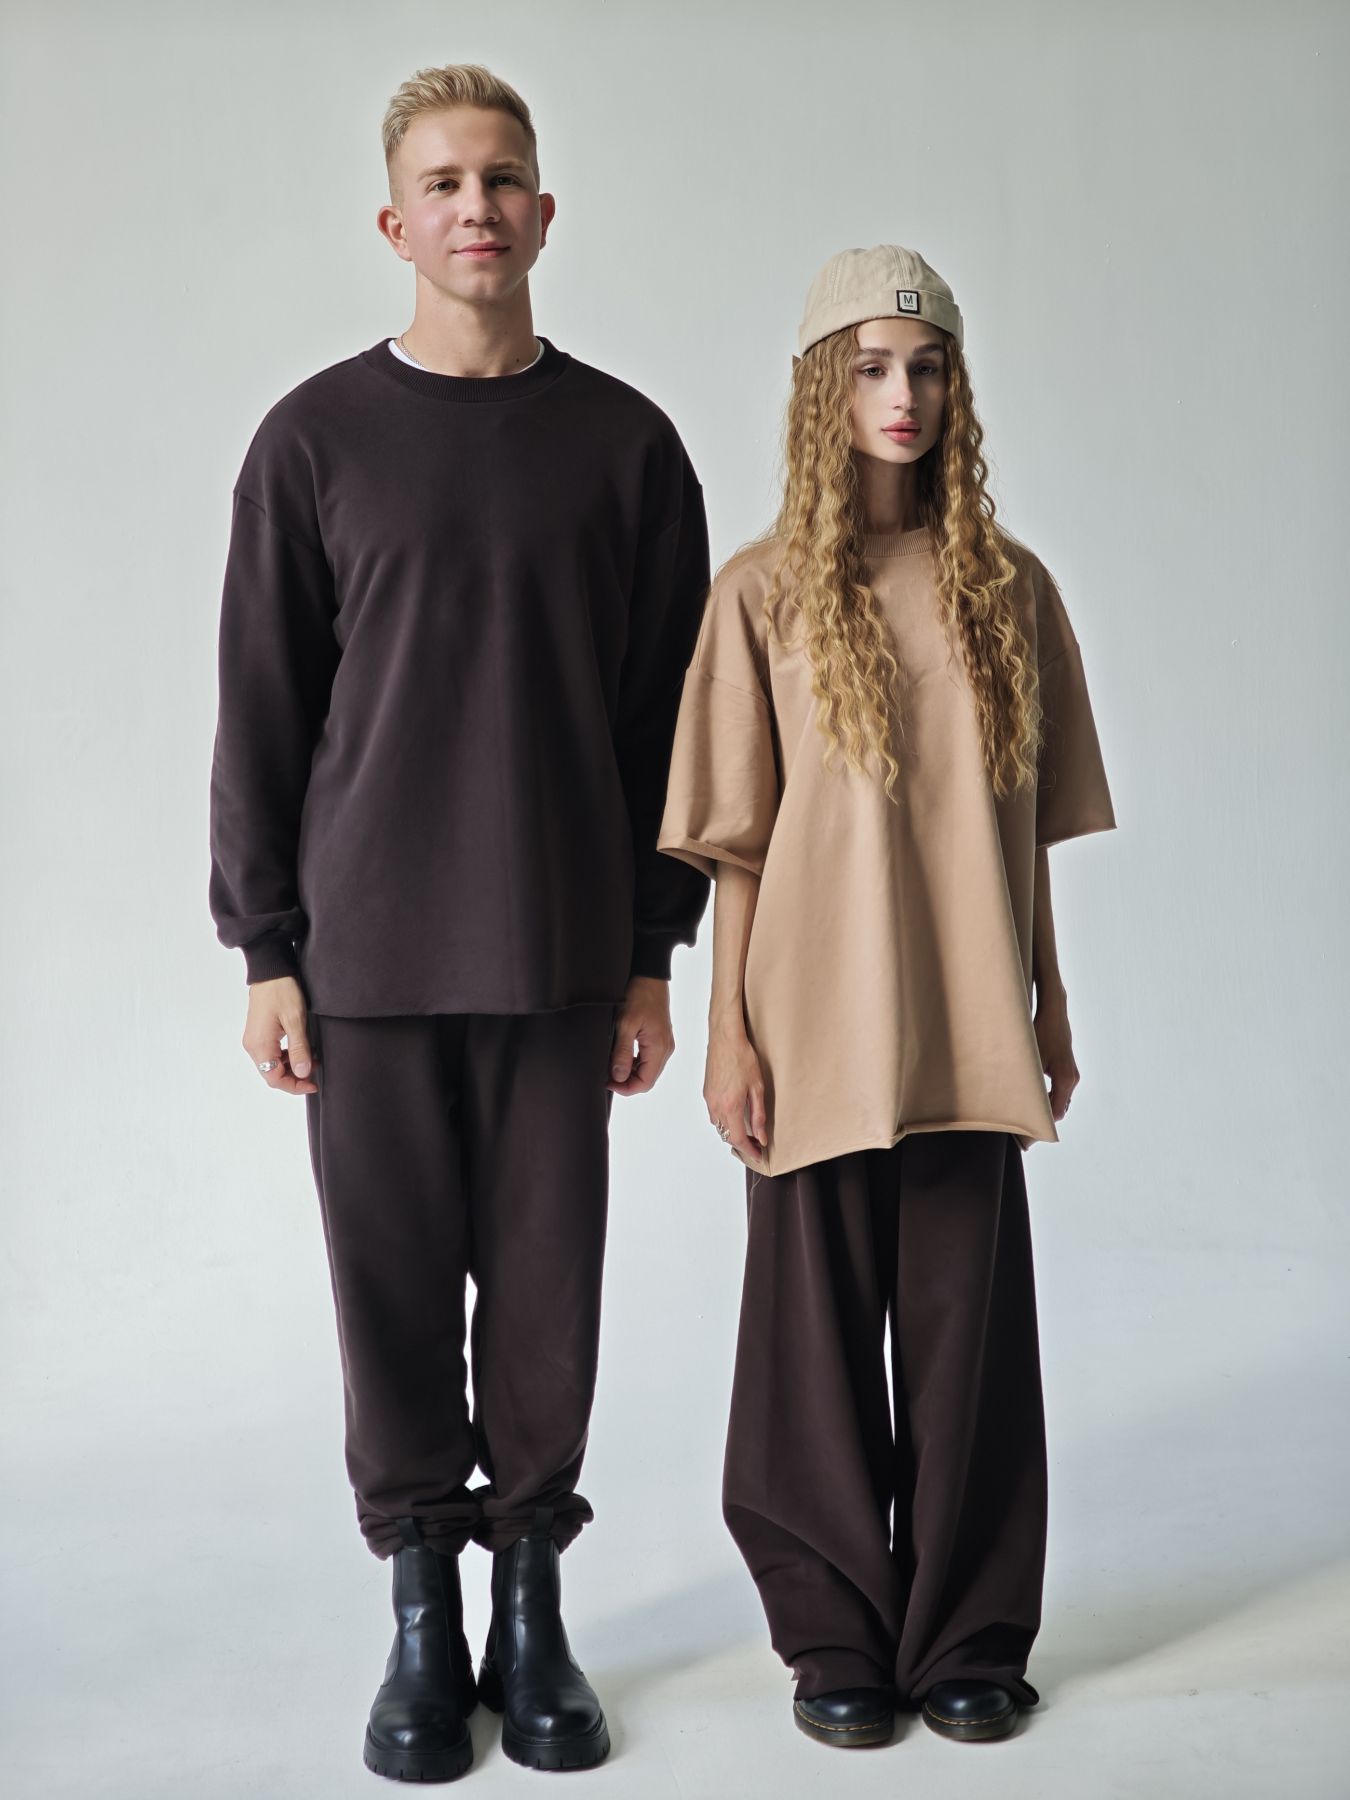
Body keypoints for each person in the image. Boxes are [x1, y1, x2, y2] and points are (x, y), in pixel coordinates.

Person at [208, 63, 711, 1783]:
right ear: (394, 222)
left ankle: (531, 1609)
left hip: (563, 949)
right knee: (393, 1291)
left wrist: (651, 952)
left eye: (501, 179)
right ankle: (423, 1607)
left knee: (549, 1296)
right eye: (443, 183)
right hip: (364, 958)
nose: (475, 207)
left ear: (544, 213)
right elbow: (261, 711)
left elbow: (665, 730)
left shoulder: (626, 446)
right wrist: (266, 949)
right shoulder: (312, 441)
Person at [657, 245, 1116, 1750]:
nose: (900, 395)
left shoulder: (1008, 591)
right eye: (866, 369)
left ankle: (969, 1631)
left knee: (966, 1337)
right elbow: (736, 844)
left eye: (923, 368)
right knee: (809, 1351)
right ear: (821, 391)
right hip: (807, 1020)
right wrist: (726, 1032)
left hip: (968, 1012)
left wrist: (1049, 1006)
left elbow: (1025, 833)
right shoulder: (763, 594)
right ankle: (834, 1633)